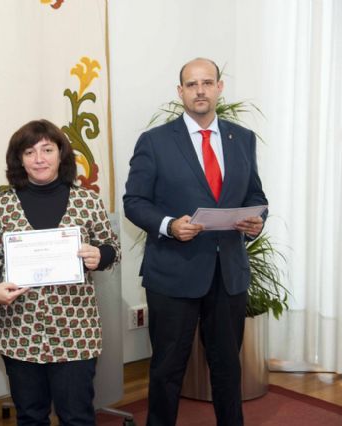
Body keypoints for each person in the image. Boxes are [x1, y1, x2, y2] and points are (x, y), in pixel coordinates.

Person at [123, 58, 268, 426]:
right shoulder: (154, 141)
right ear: (180, 92)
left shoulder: (242, 139)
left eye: (207, 82)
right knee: (167, 369)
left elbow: (255, 195)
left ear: (220, 87)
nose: (200, 90)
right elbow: (134, 201)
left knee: (227, 368)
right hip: (174, 272)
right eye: (191, 84)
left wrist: (256, 221)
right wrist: (169, 225)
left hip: (228, 274)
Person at [0, 119, 120, 426]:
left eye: (47, 149)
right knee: (31, 417)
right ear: (19, 160)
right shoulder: (1, 206)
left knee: (77, 417)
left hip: (76, 330)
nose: (39, 158)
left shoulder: (87, 200)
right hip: (20, 332)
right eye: (29, 152)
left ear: (61, 155)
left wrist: (99, 254)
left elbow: (111, 248)